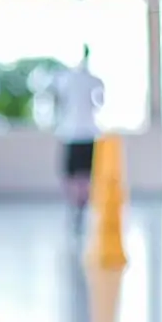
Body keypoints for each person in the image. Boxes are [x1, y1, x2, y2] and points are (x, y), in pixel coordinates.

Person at [50, 44, 105, 231]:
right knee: (83, 174)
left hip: (74, 133)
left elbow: (57, 101)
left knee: (74, 175)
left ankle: (78, 207)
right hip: (85, 132)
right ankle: (79, 206)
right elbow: (99, 104)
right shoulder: (92, 80)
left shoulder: (66, 79)